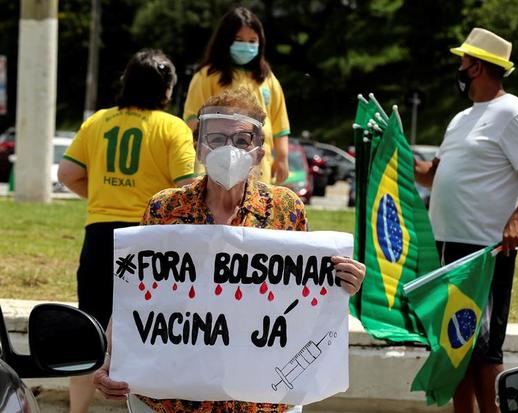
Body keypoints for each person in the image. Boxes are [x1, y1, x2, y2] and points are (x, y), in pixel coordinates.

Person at [92, 87, 366, 413]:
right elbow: (135, 296)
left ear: (260, 153)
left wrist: (343, 283)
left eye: (241, 141)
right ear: (198, 149)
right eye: (217, 139)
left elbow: (303, 298)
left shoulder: (285, 209)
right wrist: (113, 362)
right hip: (174, 402)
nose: (229, 150)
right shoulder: (165, 209)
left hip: (259, 401)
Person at [415, 28, 518, 413]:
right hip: (446, 247)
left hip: (485, 251)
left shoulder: (513, 113)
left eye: (462, 62)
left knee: (484, 351)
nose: (458, 69)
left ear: (476, 66)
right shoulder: (461, 119)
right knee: (455, 350)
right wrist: (397, 157)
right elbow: (434, 173)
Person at [58, 49, 196, 413]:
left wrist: (103, 194)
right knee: (153, 329)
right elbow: (188, 188)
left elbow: (68, 174)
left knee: (89, 330)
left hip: (100, 235)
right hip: (149, 238)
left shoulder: (98, 122)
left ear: (126, 82)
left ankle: (77, 410)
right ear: (167, 90)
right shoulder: (172, 128)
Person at [183, 6, 290, 185]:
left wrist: (282, 157)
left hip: (259, 166)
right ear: (224, 41)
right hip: (219, 165)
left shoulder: (267, 78)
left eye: (252, 41)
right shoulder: (207, 76)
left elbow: (280, 124)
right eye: (239, 40)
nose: (246, 46)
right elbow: (193, 121)